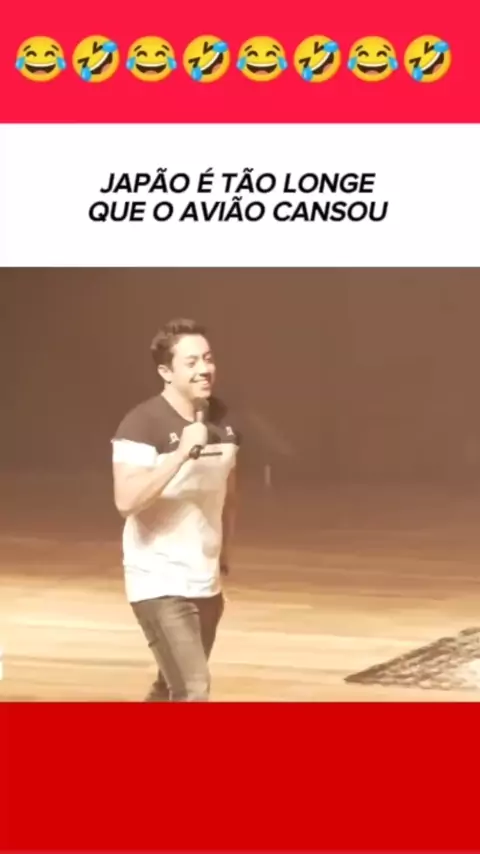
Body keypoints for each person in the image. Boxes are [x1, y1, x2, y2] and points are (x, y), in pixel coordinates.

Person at [111, 318, 240, 701]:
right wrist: (181, 453)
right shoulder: (141, 425)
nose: (205, 369)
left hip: (205, 580)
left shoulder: (224, 422)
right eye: (191, 362)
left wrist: (225, 551)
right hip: (158, 581)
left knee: (170, 687)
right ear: (166, 372)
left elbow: (229, 490)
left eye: (208, 358)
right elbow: (126, 501)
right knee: (193, 690)